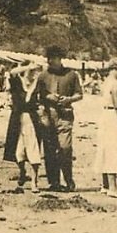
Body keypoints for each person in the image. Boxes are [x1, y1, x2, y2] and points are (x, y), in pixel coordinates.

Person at [34, 45, 83, 192]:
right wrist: (48, 96)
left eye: (52, 58)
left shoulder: (72, 75)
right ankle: (53, 182)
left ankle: (68, 180)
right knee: (49, 150)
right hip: (48, 116)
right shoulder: (43, 75)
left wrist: (68, 99)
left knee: (65, 149)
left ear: (59, 58)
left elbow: (79, 94)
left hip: (65, 116)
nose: (49, 61)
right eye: (48, 58)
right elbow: (38, 94)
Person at [94, 60, 117, 198]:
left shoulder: (106, 82)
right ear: (116, 68)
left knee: (105, 148)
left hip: (105, 116)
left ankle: (105, 185)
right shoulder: (115, 84)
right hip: (113, 118)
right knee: (113, 149)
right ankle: (113, 188)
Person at [3, 62, 43, 192]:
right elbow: (12, 72)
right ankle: (22, 171)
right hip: (17, 121)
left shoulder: (37, 84)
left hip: (32, 121)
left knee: (34, 150)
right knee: (18, 151)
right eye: (30, 72)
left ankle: (34, 182)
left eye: (34, 72)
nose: (32, 74)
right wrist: (28, 66)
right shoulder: (17, 83)